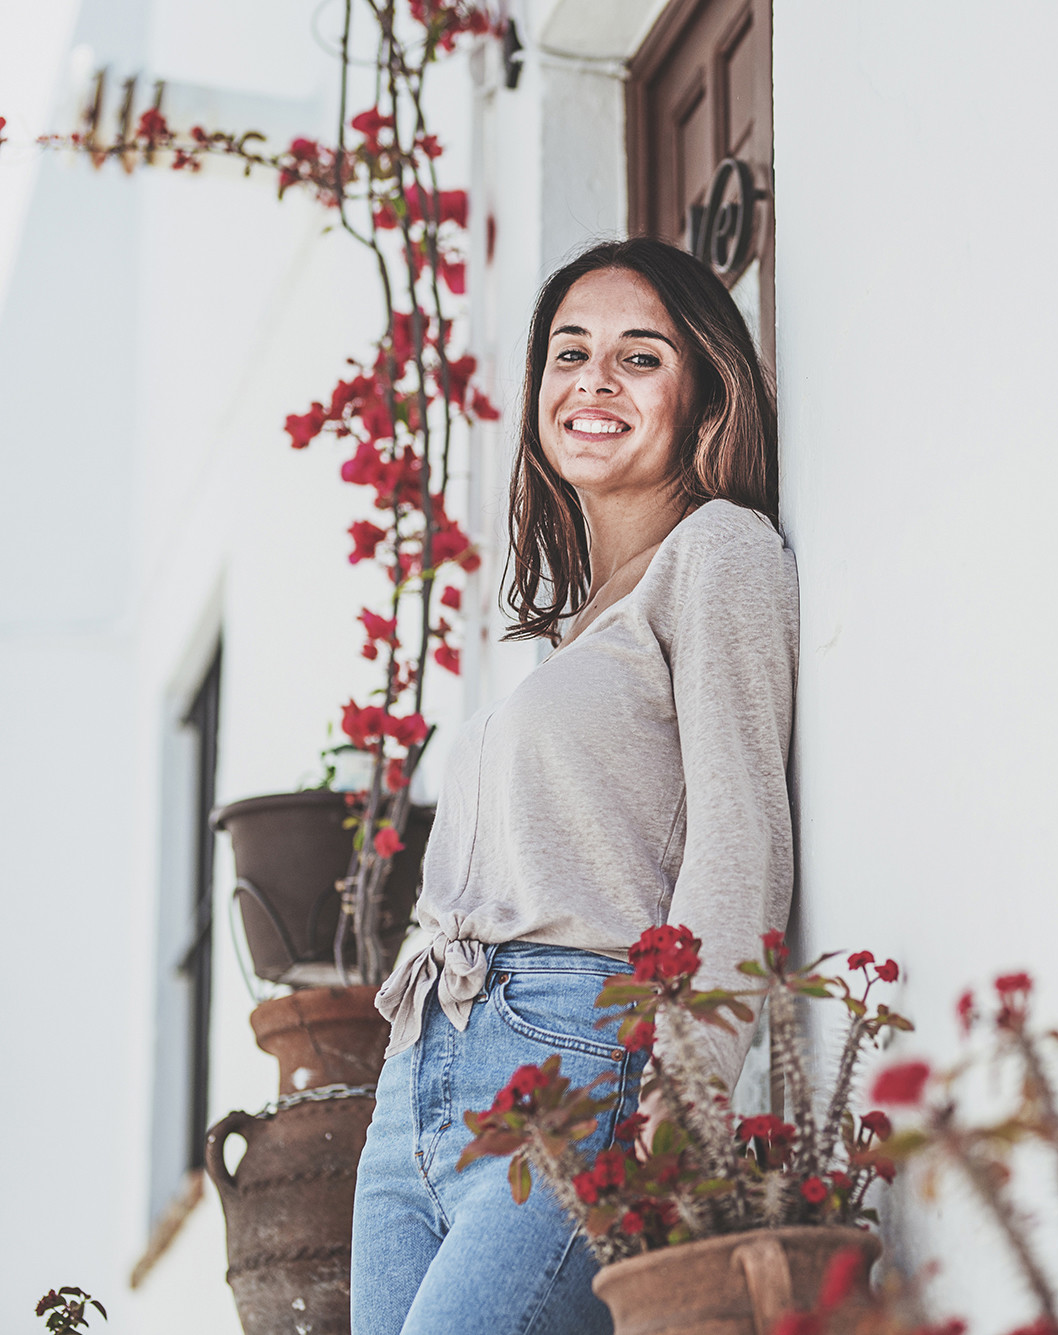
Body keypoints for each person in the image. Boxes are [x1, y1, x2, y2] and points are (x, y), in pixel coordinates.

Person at [350, 236, 798, 1335]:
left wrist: (689, 1088)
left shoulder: (720, 555)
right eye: (569, 351)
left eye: (639, 357)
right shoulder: (569, 641)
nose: (593, 380)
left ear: (703, 397)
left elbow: (741, 837)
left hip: (570, 1060)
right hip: (418, 1080)